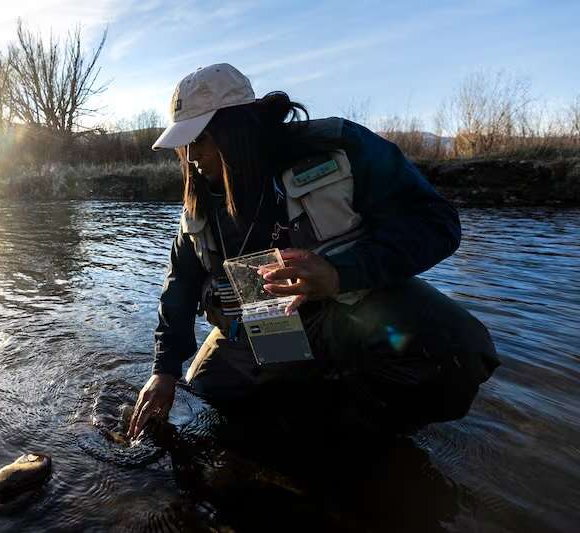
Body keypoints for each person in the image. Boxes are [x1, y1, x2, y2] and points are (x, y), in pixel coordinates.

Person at [128, 63, 499, 439]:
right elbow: (180, 287)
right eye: (184, 144)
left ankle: (362, 438)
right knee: (208, 394)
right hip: (266, 324)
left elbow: (437, 223)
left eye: (200, 140)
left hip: (354, 310)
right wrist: (164, 370)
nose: (191, 157)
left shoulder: (339, 148)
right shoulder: (201, 200)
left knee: (457, 354)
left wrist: (340, 273)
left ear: (236, 128)